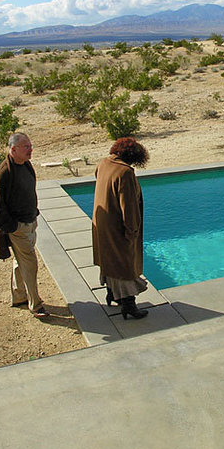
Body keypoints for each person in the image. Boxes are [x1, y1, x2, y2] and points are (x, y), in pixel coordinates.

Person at [0, 132, 47, 318]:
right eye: (26, 147)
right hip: (18, 228)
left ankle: (19, 295)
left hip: (30, 223)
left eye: (30, 146)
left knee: (20, 261)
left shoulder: (26, 165)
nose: (30, 150)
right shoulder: (4, 173)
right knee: (30, 263)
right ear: (13, 149)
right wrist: (13, 227)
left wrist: (34, 214)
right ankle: (35, 304)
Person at [92, 137, 150, 320]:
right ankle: (129, 306)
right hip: (117, 228)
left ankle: (112, 294)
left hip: (102, 225)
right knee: (125, 265)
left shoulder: (103, 164)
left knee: (110, 261)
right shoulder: (125, 173)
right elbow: (129, 206)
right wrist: (132, 231)